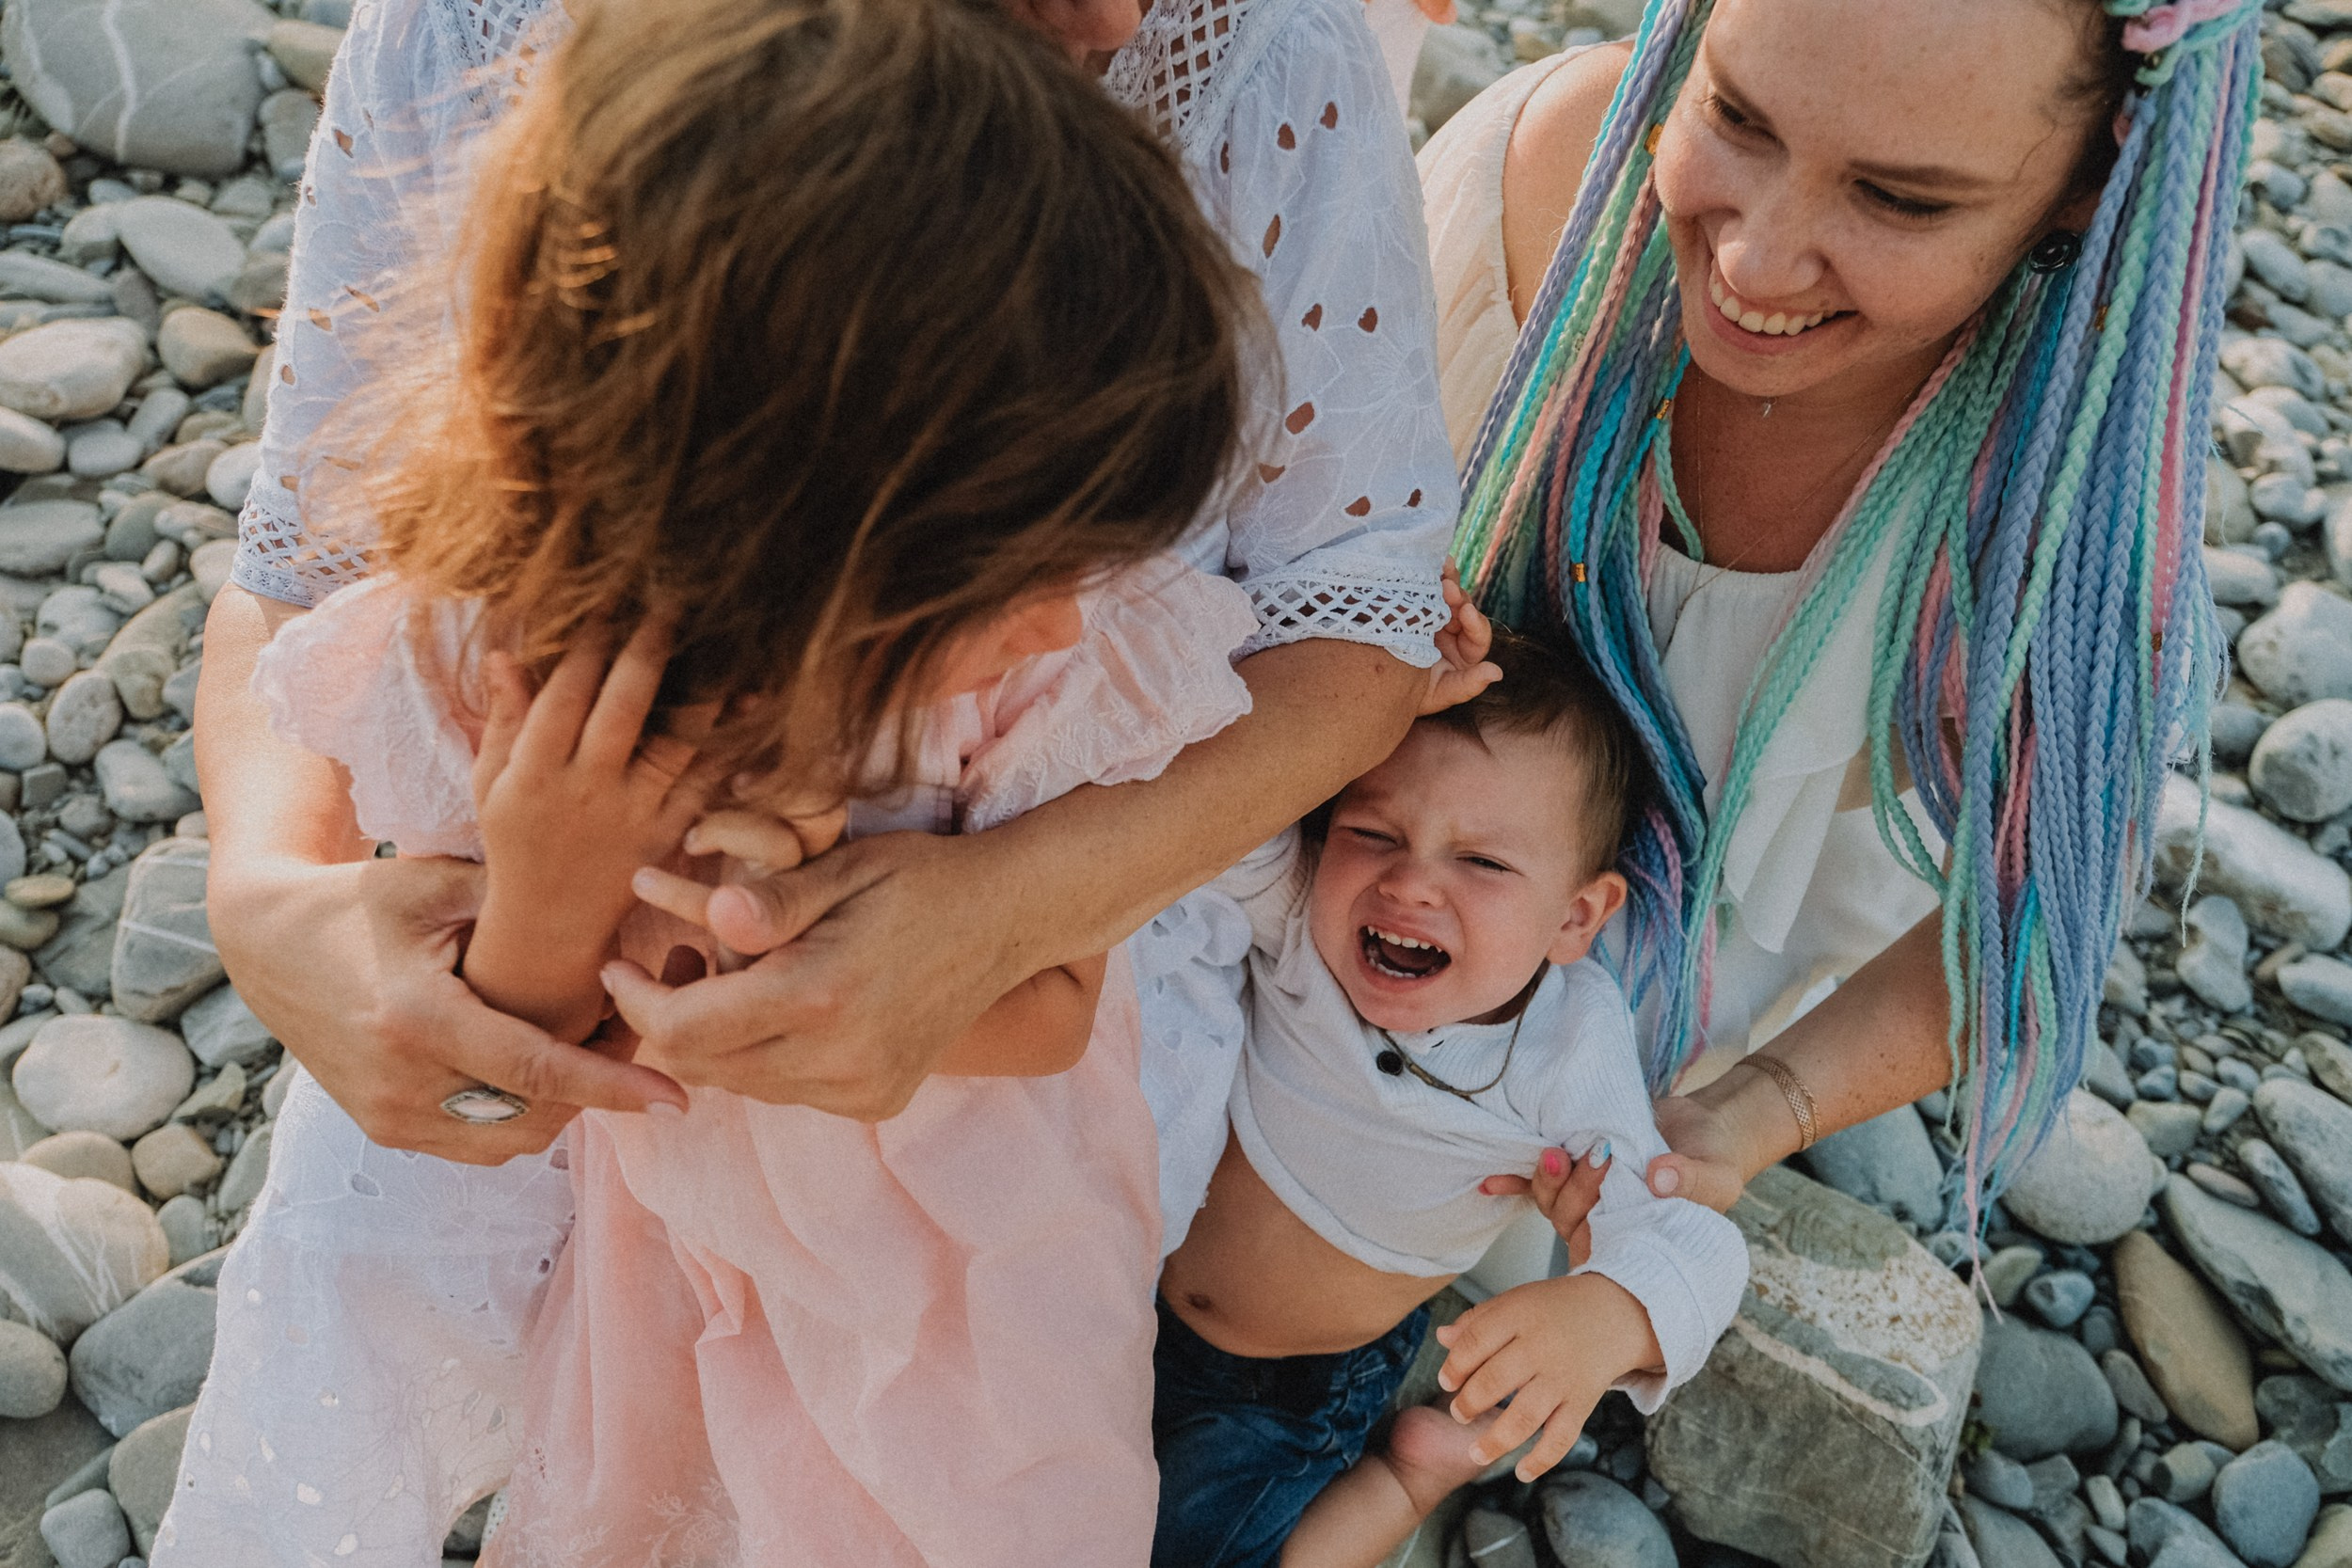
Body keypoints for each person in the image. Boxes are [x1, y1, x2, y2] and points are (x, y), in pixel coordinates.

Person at [179, 0, 1453, 1550]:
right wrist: (385, 893)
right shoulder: (538, 683)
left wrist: (935, 935)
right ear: (798, 538)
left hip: (962, 1235)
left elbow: (1057, 1002)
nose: (1127, 18)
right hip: (669, 1215)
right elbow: (536, 1037)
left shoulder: (1033, 685)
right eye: (1030, 573)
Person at [1420, 0, 2249, 1280]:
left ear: (2090, 182)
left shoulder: (2056, 516)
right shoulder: (1531, 186)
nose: (1755, 262)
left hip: (1611, 1043)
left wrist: (1756, 1111)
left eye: (1902, 200)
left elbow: (2021, 905)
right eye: (1736, 115)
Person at [1151, 631, 1745, 1568]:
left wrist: (1606, 1312)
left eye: (1482, 863)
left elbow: (1695, 1239)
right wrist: (1366, 675)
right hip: (1133, 1295)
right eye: (1372, 832)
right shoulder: (1305, 903)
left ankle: (1405, 1478)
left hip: (1294, 1384)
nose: (1410, 879)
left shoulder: (1565, 1051)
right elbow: (1212, 811)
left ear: (1574, 917)